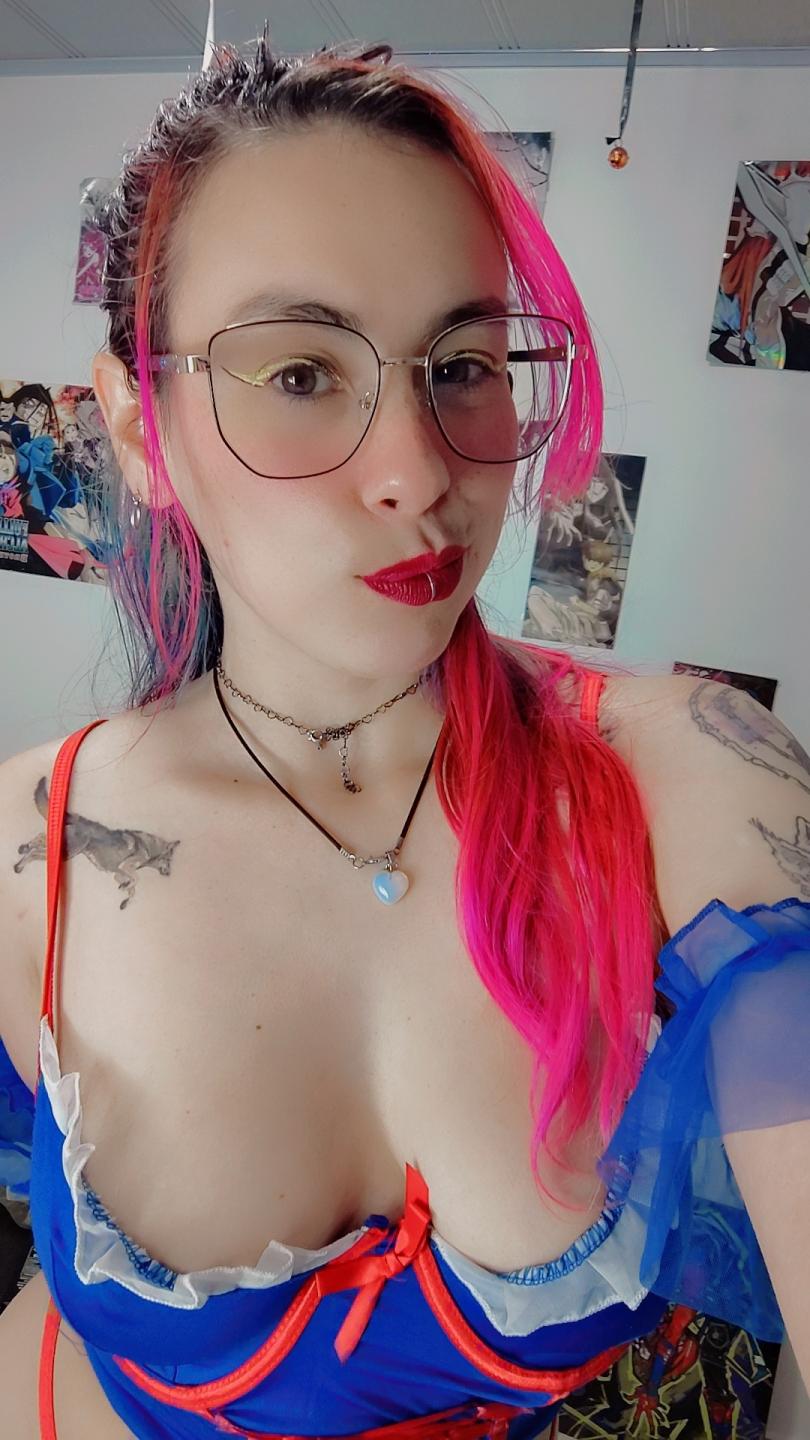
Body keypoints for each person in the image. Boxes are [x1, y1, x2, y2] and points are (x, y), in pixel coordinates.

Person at [0, 32, 808, 1440]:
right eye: (299, 372)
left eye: (464, 361)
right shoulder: (33, 857)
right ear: (137, 422)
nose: (419, 472)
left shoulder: (691, 784)